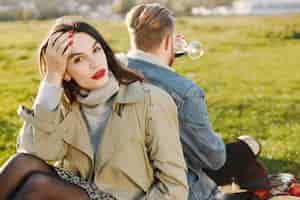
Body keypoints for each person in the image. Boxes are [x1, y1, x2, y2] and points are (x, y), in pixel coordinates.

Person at [0, 17, 188, 200]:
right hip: (79, 189)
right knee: (22, 163)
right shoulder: (64, 104)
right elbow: (36, 152)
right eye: (78, 60)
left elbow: (174, 186)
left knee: (38, 186)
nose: (94, 63)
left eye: (96, 50)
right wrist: (51, 79)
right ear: (65, 73)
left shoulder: (152, 101)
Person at [122, 3, 270, 200]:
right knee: (247, 147)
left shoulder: (111, 73)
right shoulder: (185, 92)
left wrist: (163, 54)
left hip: (128, 181)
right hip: (183, 189)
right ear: (168, 41)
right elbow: (214, 159)